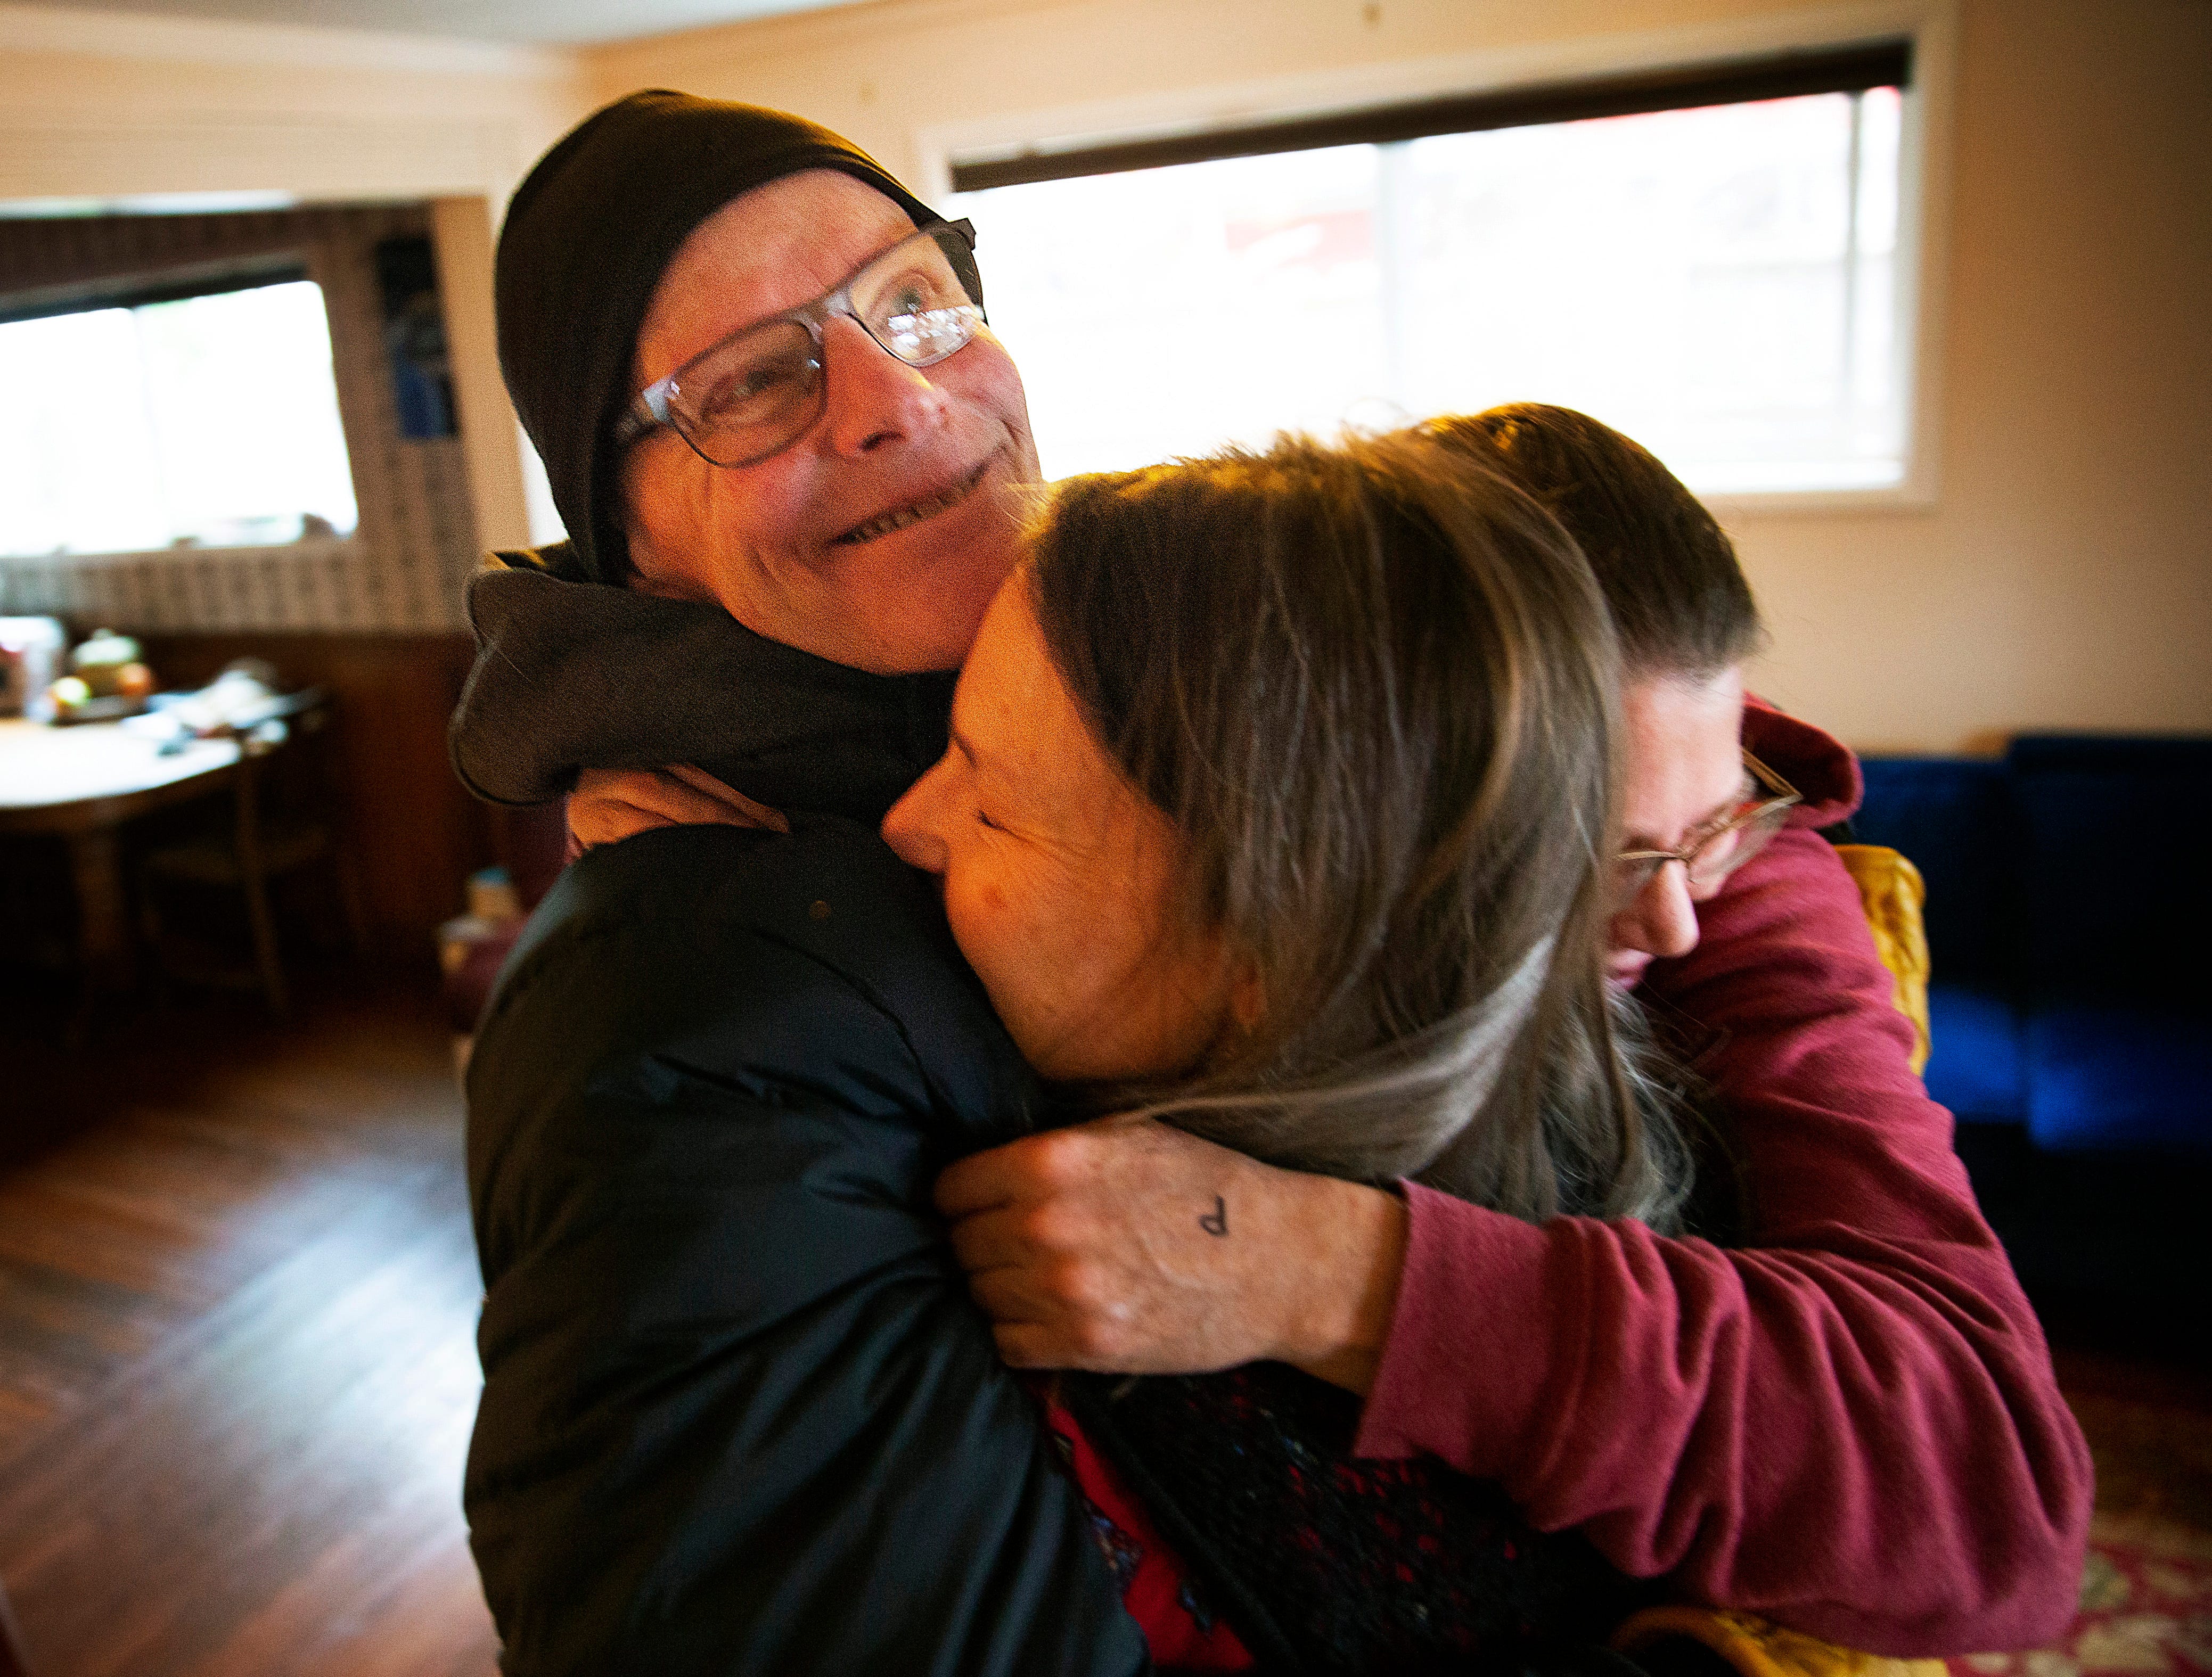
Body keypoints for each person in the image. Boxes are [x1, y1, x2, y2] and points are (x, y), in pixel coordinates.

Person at [927, 404, 2093, 1656]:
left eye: (1711, 828)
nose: (1675, 922)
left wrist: (1335, 1274)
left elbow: (1985, 1505)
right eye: (1589, 855)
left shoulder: (1742, 884)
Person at [456, 89, 1145, 1676]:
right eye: (753, 380)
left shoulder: (1168, 664)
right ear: (622, 531)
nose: (891, 398)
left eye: (912, 299)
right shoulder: (685, 1010)